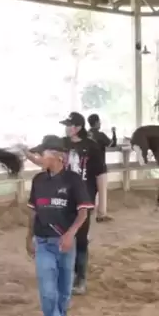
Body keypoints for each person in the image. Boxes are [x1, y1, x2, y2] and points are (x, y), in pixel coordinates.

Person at [26, 135, 93, 316]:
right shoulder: (38, 181)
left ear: (58, 156)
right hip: (43, 242)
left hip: (65, 244)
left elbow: (83, 213)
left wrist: (70, 234)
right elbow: (33, 212)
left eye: (43, 153)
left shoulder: (74, 180)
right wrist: (28, 237)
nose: (39, 157)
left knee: (64, 293)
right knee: (48, 293)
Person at [59, 111, 106, 295]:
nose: (66, 128)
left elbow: (101, 174)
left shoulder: (92, 147)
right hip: (62, 199)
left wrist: (102, 204)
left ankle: (80, 278)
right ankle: (66, 273)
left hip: (83, 200)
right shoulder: (62, 144)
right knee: (62, 236)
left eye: (69, 125)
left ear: (78, 127)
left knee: (80, 239)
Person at [87, 113, 116, 223]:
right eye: (99, 121)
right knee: (102, 191)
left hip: (88, 166)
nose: (100, 123)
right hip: (100, 166)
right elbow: (112, 144)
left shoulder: (86, 135)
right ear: (96, 123)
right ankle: (101, 215)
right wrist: (114, 132)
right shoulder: (100, 135)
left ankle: (88, 211)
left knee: (89, 189)